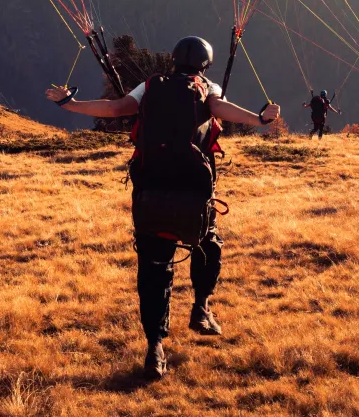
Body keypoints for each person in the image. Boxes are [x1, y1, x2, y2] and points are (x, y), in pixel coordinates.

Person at [47, 35, 280, 380]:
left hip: (150, 191)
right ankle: (201, 308)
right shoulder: (207, 86)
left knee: (154, 270)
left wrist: (70, 104)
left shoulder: (149, 86)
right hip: (193, 193)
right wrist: (258, 119)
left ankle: (155, 347)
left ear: (173, 60)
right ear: (205, 64)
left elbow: (114, 109)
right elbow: (219, 109)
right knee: (207, 246)